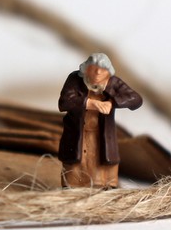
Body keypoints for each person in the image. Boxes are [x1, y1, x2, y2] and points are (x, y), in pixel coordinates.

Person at [57, 52, 144, 189]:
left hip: (102, 135)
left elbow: (136, 99)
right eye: (94, 68)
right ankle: (73, 188)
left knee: (101, 163)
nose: (98, 73)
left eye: (102, 70)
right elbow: (64, 102)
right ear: (86, 69)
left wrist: (112, 102)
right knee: (75, 165)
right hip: (78, 133)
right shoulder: (75, 79)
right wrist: (91, 103)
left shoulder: (113, 82)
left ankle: (102, 189)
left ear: (108, 72)